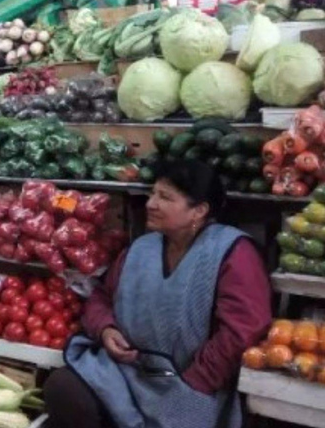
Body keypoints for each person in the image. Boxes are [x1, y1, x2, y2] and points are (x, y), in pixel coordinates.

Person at [45, 160, 272, 428]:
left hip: (192, 381)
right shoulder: (141, 248)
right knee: (62, 388)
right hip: (129, 371)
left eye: (165, 197)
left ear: (198, 210)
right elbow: (101, 297)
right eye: (153, 194)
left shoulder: (233, 251)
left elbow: (242, 328)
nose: (151, 203)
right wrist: (106, 329)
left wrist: (197, 381)